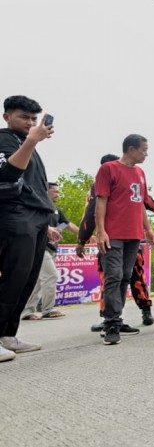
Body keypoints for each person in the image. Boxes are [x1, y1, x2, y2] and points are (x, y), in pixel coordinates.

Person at [76, 154, 154, 332]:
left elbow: (89, 215)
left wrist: (82, 240)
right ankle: (119, 317)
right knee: (127, 277)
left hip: (129, 237)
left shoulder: (127, 177)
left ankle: (113, 317)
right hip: (113, 237)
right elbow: (150, 203)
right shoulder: (115, 181)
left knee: (116, 278)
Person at [0, 95, 54, 361]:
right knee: (12, 276)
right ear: (7, 116)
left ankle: (8, 335)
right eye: (24, 117)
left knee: (27, 279)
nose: (31, 123)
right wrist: (33, 138)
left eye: (34, 118)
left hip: (38, 217)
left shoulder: (28, 143)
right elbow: (8, 174)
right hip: (16, 215)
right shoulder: (5, 139)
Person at [94, 134, 154, 345]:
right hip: (113, 234)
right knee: (113, 276)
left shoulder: (140, 172)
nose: (146, 154)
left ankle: (116, 319)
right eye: (143, 150)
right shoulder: (108, 168)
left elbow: (139, 204)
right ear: (131, 149)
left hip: (134, 235)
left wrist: (148, 229)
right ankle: (110, 323)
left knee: (125, 277)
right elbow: (100, 201)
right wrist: (101, 231)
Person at [21, 182, 79, 320]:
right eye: (55, 191)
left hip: (52, 249)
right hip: (39, 248)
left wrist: (85, 235)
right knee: (51, 275)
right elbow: (31, 222)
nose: (58, 194)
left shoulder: (57, 210)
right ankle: (47, 309)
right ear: (46, 192)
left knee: (37, 281)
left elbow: (68, 225)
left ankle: (27, 311)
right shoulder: (38, 207)